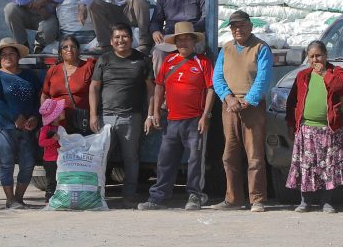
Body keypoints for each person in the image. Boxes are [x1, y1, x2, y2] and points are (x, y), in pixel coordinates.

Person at [138, 22, 215, 211]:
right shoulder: (169, 61)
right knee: (165, 159)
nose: (184, 43)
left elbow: (211, 89)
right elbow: (159, 86)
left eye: (187, 39)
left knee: (195, 159)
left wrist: (206, 115)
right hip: (172, 120)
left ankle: (194, 195)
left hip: (195, 120)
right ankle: (157, 197)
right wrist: (155, 111)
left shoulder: (202, 62)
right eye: (180, 40)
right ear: (176, 43)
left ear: (194, 41)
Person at [211, 10, 273, 212]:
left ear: (250, 26)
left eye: (242, 25)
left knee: (254, 155)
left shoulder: (260, 48)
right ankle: (233, 198)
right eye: (234, 26)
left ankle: (257, 199)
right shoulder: (226, 49)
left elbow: (263, 78)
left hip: (252, 107)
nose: (238, 29)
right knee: (229, 155)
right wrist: (228, 98)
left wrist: (247, 100)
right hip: (229, 106)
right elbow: (217, 77)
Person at [88, 22, 155, 208]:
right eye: (117, 37)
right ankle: (97, 193)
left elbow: (151, 90)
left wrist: (150, 115)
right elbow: (94, 87)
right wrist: (94, 115)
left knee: (131, 158)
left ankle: (129, 195)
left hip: (131, 118)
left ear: (131, 39)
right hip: (105, 117)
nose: (121, 40)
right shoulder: (104, 59)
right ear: (111, 40)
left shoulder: (142, 59)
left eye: (124, 37)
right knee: (101, 157)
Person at [284, 40, 343, 213]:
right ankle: (305, 201)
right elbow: (292, 101)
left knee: (328, 167)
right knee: (306, 166)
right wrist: (291, 124)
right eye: (312, 56)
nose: (315, 60)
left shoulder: (335, 72)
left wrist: (324, 75)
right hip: (306, 129)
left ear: (326, 56)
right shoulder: (303, 75)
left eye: (318, 56)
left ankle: (326, 201)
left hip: (328, 130)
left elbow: (342, 87)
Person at [0, 37, 42, 209]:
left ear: (18, 57)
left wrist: (34, 117)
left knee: (28, 163)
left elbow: (38, 98)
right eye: (4, 54)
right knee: (7, 163)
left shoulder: (29, 76)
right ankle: (9, 199)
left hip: (27, 128)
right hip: (4, 127)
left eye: (11, 54)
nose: (8, 57)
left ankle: (19, 198)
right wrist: (15, 117)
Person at [150, 0, 206, 72]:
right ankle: (162, 87)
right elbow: (156, 20)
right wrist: (155, 31)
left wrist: (189, 31)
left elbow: (206, 17)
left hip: (193, 36)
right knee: (158, 52)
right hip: (171, 37)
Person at [40, 35, 96, 134]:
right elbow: (44, 95)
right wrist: (47, 117)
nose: (69, 49)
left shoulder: (88, 67)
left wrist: (94, 115)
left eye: (73, 46)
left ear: (78, 50)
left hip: (81, 121)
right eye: (65, 47)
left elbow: (96, 92)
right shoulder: (53, 70)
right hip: (57, 124)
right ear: (60, 52)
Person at [38, 98, 66, 203]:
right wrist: (52, 140)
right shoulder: (46, 129)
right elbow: (41, 143)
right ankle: (49, 197)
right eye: (57, 115)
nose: (60, 116)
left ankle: (58, 196)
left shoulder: (60, 128)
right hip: (49, 160)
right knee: (51, 180)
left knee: (59, 178)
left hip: (59, 158)